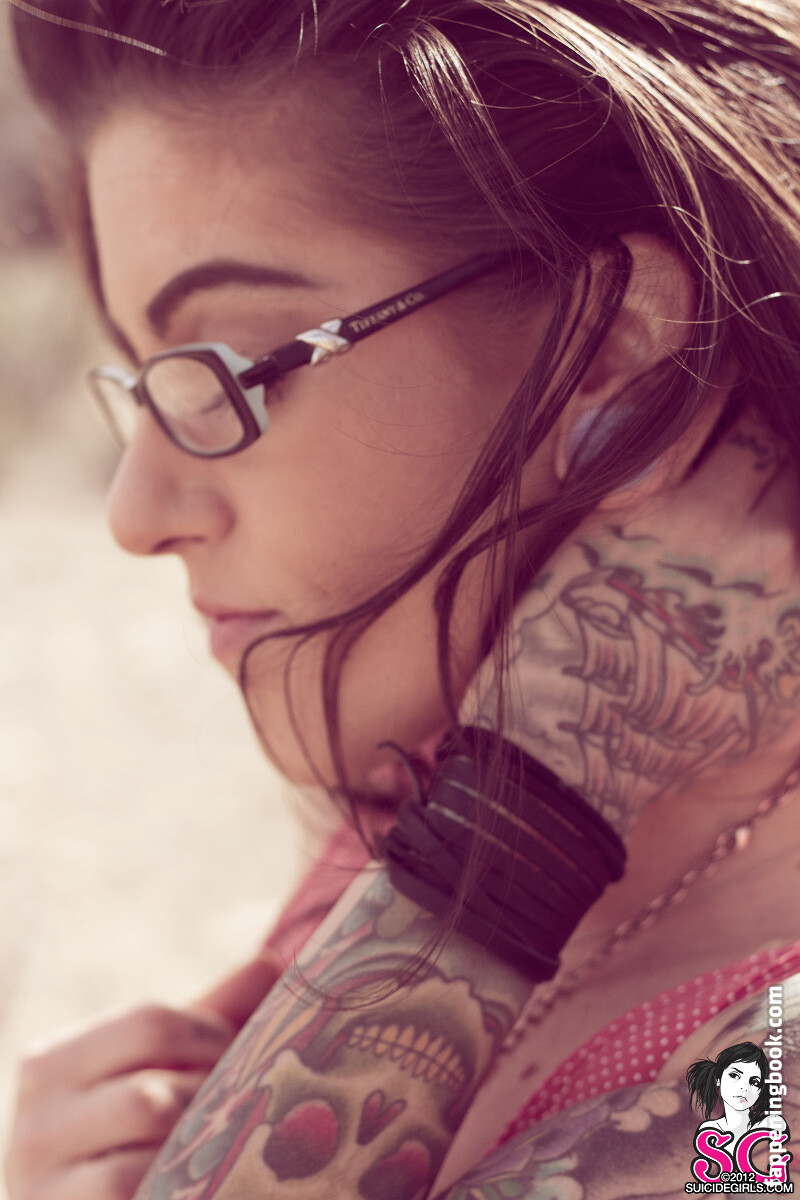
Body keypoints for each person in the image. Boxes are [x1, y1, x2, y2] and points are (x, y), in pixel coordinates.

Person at [4, 1, 800, 1198]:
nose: (134, 513)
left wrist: (523, 824)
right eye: (145, 382)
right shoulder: (432, 785)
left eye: (228, 374)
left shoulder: (756, 1093)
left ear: (612, 347)